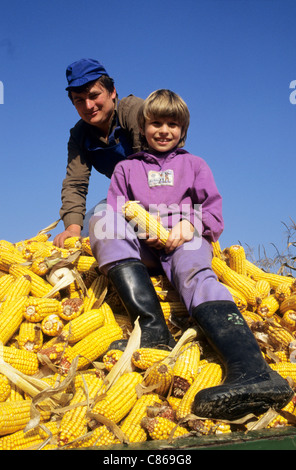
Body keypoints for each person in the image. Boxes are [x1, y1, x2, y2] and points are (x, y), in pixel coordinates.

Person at [89, 89, 293, 420]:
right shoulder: (126, 169)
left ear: (183, 130)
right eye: (156, 123)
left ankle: (250, 367)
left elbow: (212, 213)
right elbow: (116, 209)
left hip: (185, 239)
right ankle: (153, 329)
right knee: (100, 220)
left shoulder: (195, 165)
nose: (164, 130)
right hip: (143, 245)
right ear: (143, 128)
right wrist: (143, 227)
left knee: (194, 273)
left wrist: (189, 224)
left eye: (173, 124)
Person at [53, 58, 144, 248]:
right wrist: (72, 228)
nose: (88, 106)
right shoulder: (79, 135)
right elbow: (75, 184)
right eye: (79, 100)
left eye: (94, 95)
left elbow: (152, 164)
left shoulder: (134, 111)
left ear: (112, 92)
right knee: (86, 234)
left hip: (161, 192)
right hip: (121, 200)